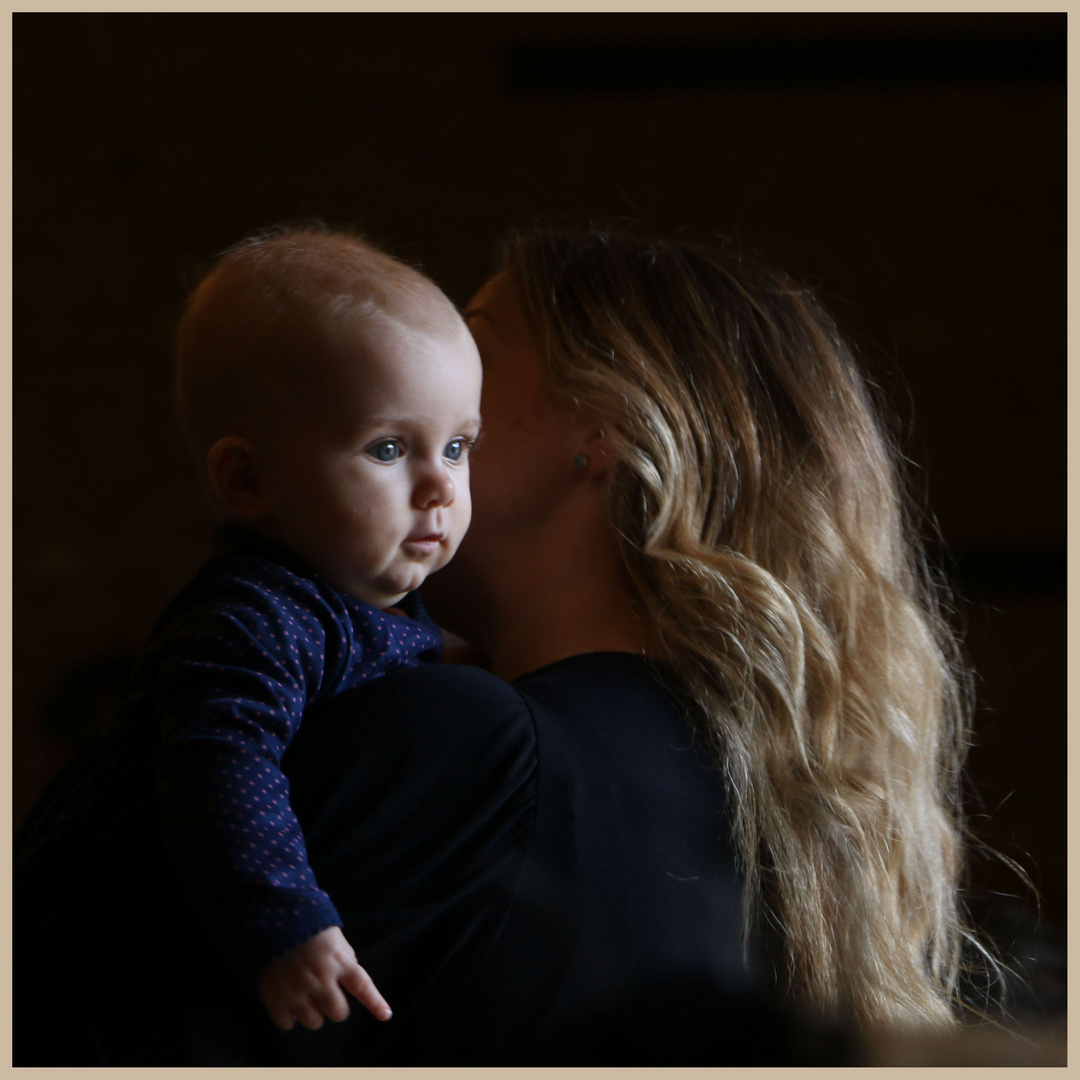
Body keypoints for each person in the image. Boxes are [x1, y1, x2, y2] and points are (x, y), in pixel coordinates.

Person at [16, 224, 976, 1065]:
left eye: (470, 346)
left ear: (601, 427)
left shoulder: (461, 748)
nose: (422, 365)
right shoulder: (768, 811)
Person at [14, 225, 483, 1060]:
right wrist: (284, 923)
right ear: (246, 481)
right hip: (97, 959)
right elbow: (219, 764)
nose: (442, 483)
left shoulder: (382, 610)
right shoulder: (257, 616)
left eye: (457, 445)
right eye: (389, 447)